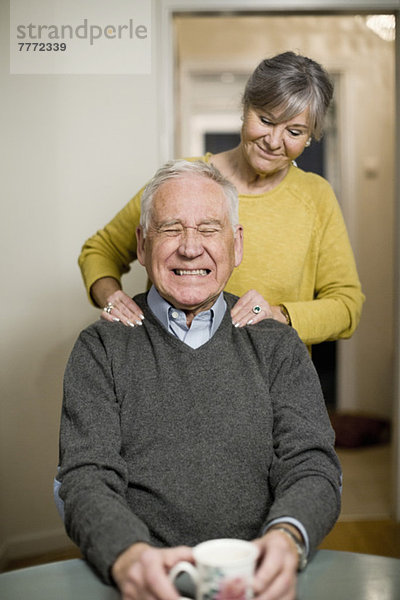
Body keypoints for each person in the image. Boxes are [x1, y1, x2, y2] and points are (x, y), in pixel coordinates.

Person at [58, 160, 342, 600]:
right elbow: (84, 478)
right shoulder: (101, 349)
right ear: (141, 242)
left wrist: (287, 538)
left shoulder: (277, 345)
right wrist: (129, 555)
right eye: (171, 228)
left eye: (209, 229)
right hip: (143, 582)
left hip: (258, 581)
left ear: (237, 244)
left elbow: (313, 466)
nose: (190, 248)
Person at [78, 51, 364, 349]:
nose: (274, 141)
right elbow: (99, 251)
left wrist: (279, 315)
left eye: (294, 131)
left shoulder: (315, 196)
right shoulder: (182, 181)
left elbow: (346, 306)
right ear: (245, 108)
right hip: (169, 367)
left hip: (269, 379)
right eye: (265, 120)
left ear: (309, 137)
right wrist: (113, 299)